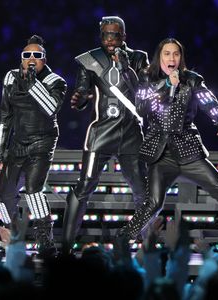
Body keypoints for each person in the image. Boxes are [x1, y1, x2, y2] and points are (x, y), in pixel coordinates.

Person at [117, 38, 218, 254]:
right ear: (160, 56)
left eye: (176, 54)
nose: (171, 58)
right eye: (167, 54)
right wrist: (167, 86)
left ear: (181, 58)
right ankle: (122, 242)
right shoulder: (148, 78)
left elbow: (208, 101)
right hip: (160, 153)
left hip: (188, 150)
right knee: (153, 203)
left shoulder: (191, 80)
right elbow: (143, 107)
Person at [61, 16, 149, 249]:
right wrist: (79, 100)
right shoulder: (89, 60)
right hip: (101, 132)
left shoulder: (138, 58)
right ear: (100, 36)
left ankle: (146, 243)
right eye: (106, 35)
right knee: (85, 185)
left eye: (115, 35)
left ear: (124, 36)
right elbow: (81, 93)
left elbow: (144, 91)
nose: (110, 40)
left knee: (142, 188)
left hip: (131, 134)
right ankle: (66, 245)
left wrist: (125, 66)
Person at [0, 35, 67, 254]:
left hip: (42, 141)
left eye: (37, 55)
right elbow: (4, 115)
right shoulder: (10, 77)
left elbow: (50, 107)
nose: (31, 58)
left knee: (34, 190)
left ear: (44, 59)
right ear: (21, 59)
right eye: (27, 55)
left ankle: (45, 240)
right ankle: (12, 235)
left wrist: (32, 82)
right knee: (4, 192)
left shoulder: (55, 81)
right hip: (18, 143)